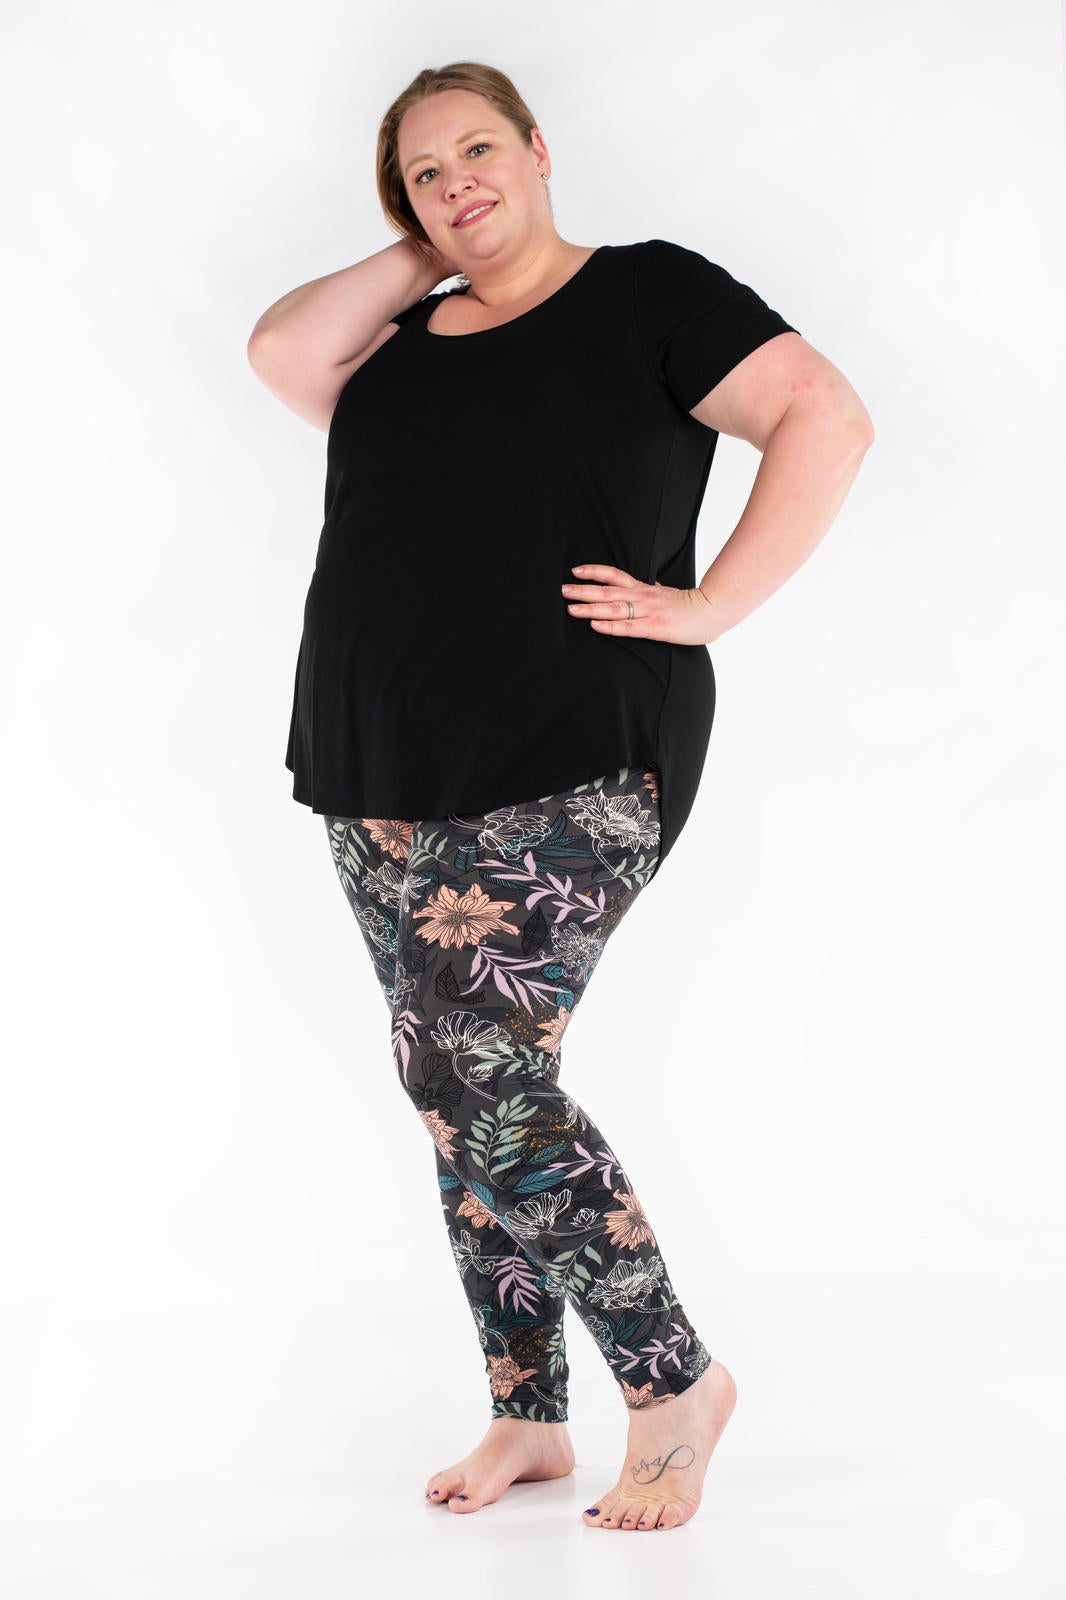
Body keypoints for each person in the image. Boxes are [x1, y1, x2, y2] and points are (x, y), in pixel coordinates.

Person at [247, 61, 874, 1535]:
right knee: (457, 1096)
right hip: (375, 756)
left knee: (472, 1069)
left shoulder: (648, 294)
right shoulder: (399, 344)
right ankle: (528, 1412)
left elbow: (823, 414)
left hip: (575, 740)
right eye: (424, 172)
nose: (457, 181)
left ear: (538, 148)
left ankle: (673, 1383)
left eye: (479, 150)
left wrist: (711, 605)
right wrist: (435, 246)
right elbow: (281, 349)